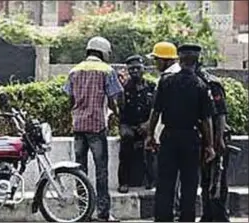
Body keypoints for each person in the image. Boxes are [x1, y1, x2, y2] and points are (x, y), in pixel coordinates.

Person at [145, 41, 216, 222]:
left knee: (165, 183)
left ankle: (162, 219)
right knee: (189, 184)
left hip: (169, 136)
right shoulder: (201, 86)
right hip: (190, 139)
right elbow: (207, 119)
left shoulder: (166, 82)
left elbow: (155, 112)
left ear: (180, 59)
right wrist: (209, 145)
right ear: (196, 60)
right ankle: (186, 219)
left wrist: (149, 135)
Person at [64, 36, 124, 222]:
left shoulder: (74, 71)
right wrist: (117, 113)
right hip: (97, 126)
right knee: (101, 171)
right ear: (103, 51)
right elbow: (114, 98)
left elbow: (70, 99)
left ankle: (84, 211)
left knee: (80, 171)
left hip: (78, 127)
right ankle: (103, 213)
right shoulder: (106, 70)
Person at [181, 44, 230, 222]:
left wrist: (218, 141)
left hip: (215, 137)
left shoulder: (210, 83)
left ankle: (219, 216)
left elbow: (221, 113)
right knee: (203, 180)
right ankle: (208, 215)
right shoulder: (185, 81)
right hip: (197, 138)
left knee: (216, 180)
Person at [117, 55, 156, 193]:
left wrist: (147, 124)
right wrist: (120, 89)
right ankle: (124, 182)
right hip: (128, 124)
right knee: (126, 139)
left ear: (143, 69)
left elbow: (156, 109)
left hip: (146, 124)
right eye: (131, 69)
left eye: (137, 68)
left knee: (149, 146)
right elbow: (119, 108)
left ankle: (151, 180)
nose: (134, 71)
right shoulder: (123, 87)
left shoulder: (151, 86)